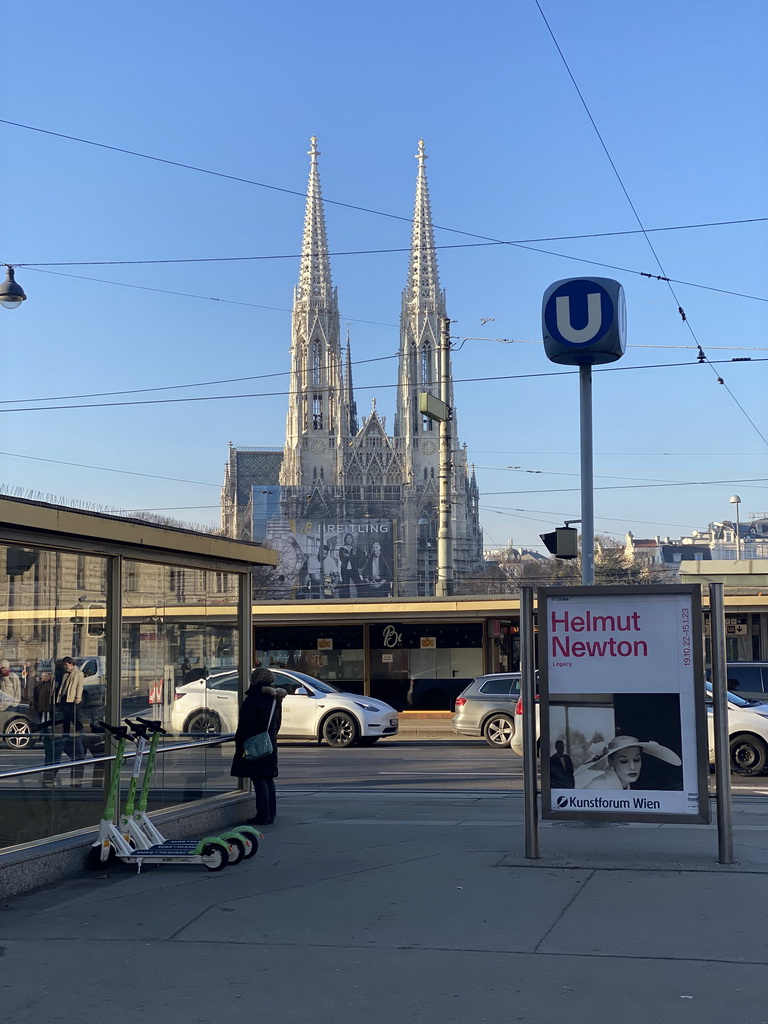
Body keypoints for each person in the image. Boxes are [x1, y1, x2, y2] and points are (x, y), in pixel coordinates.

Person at [230, 667, 287, 825]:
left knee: (259, 778)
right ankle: (270, 814)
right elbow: (278, 722)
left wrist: (240, 742)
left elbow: (245, 725)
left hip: (255, 743)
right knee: (268, 778)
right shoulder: (275, 699)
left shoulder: (253, 699)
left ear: (255, 680)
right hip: (269, 742)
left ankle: (262, 815)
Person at [575, 735, 682, 791]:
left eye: (636, 760)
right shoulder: (598, 788)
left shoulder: (624, 783)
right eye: (624, 761)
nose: (632, 767)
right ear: (611, 762)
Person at [57, 657, 85, 785]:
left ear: (72, 664)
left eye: (66, 665)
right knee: (67, 718)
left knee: (73, 716)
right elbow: (63, 686)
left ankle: (80, 728)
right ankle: (66, 732)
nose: (65, 667)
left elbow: (80, 686)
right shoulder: (65, 674)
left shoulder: (78, 673)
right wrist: (59, 698)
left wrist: (78, 697)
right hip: (65, 698)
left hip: (72, 698)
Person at [338, 533, 363, 598]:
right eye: (347, 538)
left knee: (359, 584)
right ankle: (347, 601)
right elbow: (342, 558)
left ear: (352, 539)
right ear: (345, 540)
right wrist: (352, 556)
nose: (349, 540)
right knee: (345, 586)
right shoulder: (342, 549)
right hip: (344, 570)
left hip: (354, 569)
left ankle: (361, 599)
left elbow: (358, 558)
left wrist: (348, 556)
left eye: (350, 538)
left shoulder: (356, 548)